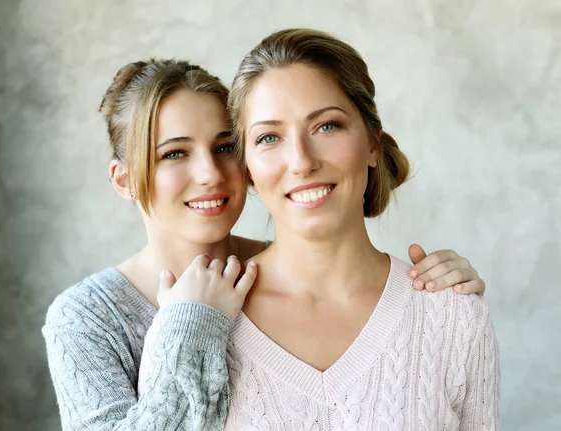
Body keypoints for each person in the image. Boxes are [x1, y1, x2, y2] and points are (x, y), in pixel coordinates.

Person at [43, 57, 488, 430]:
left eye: (224, 148)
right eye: (174, 153)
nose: (210, 174)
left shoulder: (285, 276)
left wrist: (440, 301)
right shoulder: (86, 319)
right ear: (124, 181)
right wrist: (191, 323)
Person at [217, 28, 499, 429]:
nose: (301, 161)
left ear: (371, 143)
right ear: (248, 170)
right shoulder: (204, 323)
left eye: (326, 126)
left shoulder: (452, 315)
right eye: (269, 137)